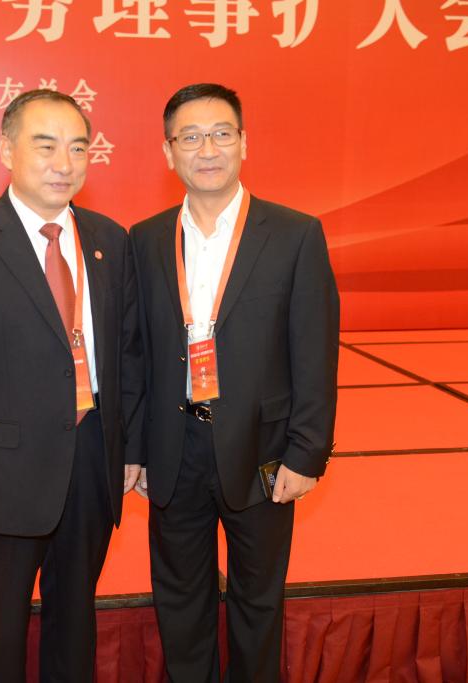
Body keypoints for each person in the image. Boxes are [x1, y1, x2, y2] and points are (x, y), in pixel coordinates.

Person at [0, 89, 143, 682]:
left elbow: (128, 354)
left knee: (76, 615)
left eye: (78, 148)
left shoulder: (109, 240)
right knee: (0, 623)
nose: (64, 163)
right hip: (1, 469)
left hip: (91, 457)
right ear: (5, 149)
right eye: (46, 146)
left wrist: (130, 450)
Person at [130, 83, 339, 682]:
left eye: (222, 134)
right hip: (174, 450)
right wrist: (135, 451)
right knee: (180, 600)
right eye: (190, 137)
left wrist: (307, 453)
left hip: (263, 450)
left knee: (258, 600)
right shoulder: (143, 239)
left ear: (244, 143)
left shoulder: (295, 234)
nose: (207, 150)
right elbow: (134, 354)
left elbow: (315, 350)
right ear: (168, 152)